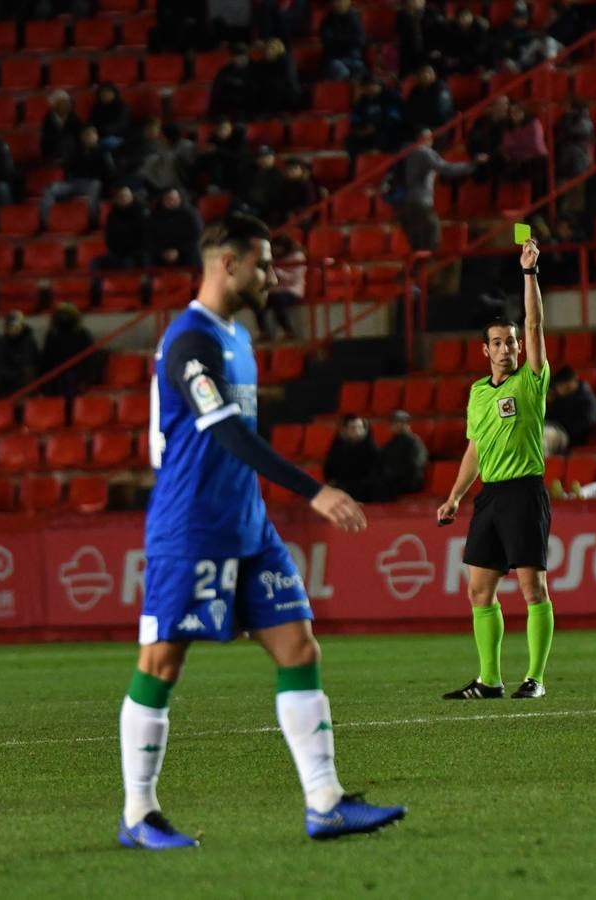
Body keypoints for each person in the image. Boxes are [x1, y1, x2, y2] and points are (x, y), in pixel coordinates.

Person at [117, 213, 402, 850]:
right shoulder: (190, 339)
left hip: (248, 526)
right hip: (192, 527)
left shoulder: (239, 339)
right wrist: (314, 489)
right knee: (162, 663)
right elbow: (222, 431)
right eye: (264, 263)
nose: (272, 275)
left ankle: (325, 803)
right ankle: (139, 813)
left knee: (299, 648)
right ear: (228, 263)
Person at [436, 240, 553, 701]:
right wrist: (455, 496)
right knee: (479, 591)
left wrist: (530, 273)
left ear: (521, 347)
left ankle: (536, 678)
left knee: (532, 589)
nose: (506, 348)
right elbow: (475, 447)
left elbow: (536, 321)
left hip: (525, 492)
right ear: (485, 350)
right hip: (490, 496)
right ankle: (489, 680)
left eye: (512, 342)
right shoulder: (477, 393)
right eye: (498, 343)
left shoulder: (531, 380)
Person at [396, 128, 483, 252]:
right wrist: (472, 165)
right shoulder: (424, 152)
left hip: (407, 201)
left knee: (418, 240)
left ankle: (418, 267)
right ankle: (429, 267)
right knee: (432, 237)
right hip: (421, 201)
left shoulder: (408, 151)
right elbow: (446, 169)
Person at [40, 125, 114, 227]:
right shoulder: (76, 152)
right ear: (82, 137)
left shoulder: (103, 153)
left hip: (92, 184)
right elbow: (68, 169)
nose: (89, 137)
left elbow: (109, 174)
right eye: (86, 135)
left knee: (95, 185)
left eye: (92, 134)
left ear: (96, 136)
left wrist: (105, 191)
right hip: (74, 183)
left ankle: (93, 221)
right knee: (51, 188)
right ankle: (44, 222)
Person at [40, 302, 102, 397]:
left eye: (67, 314)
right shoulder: (52, 334)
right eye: (61, 314)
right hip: (56, 376)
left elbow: (91, 357)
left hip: (77, 375)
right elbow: (46, 358)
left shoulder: (82, 333)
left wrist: (86, 378)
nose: (64, 317)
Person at [323, 414, 383, 500]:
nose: (357, 431)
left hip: (365, 490)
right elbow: (330, 466)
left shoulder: (372, 449)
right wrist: (331, 480)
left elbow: (374, 476)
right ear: (345, 430)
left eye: (360, 428)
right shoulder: (339, 445)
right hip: (342, 486)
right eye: (353, 428)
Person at [544, 365, 596, 454]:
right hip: (550, 427)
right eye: (559, 385)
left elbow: (586, 423)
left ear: (572, 382)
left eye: (562, 385)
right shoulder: (557, 399)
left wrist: (561, 424)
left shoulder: (587, 400)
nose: (560, 388)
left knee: (541, 436)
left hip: (565, 435)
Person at [346, 77, 405, 158]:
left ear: (379, 86)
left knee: (382, 138)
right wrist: (359, 129)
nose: (369, 88)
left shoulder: (390, 97)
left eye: (372, 85)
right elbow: (355, 117)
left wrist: (375, 128)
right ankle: (356, 166)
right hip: (367, 132)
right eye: (367, 86)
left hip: (387, 132)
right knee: (350, 140)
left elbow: (393, 118)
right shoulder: (363, 101)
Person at [261, 233, 304, 340]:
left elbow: (294, 278)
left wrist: (277, 272)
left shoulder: (297, 257)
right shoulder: (273, 259)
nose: (275, 250)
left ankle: (289, 331)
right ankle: (264, 333)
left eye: (277, 248)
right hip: (275, 290)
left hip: (293, 290)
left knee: (278, 301)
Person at [148, 189, 203, 268]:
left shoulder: (191, 214)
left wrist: (178, 251)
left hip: (185, 250)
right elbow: (150, 238)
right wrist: (163, 252)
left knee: (194, 253)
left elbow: (196, 235)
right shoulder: (154, 217)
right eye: (168, 199)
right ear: (162, 201)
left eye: (175, 199)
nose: (172, 201)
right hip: (163, 252)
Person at [0, 310, 39, 396]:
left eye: (14, 326)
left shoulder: (28, 341)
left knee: (27, 373)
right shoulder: (1, 342)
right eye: (9, 326)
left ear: (21, 326)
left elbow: (27, 363)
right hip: (6, 378)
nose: (11, 329)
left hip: (21, 378)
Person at [381, 410, 428, 497]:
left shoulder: (415, 442)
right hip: (392, 480)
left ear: (408, 425)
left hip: (409, 481)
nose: (398, 425)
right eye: (395, 423)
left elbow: (416, 464)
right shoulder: (390, 444)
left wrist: (392, 473)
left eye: (402, 423)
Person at [320, 0, 366, 81]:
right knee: (343, 73)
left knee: (361, 72)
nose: (341, 3)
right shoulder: (327, 22)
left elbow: (360, 40)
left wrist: (340, 39)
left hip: (353, 58)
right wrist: (349, 40)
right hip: (333, 60)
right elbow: (329, 45)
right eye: (338, 1)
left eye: (344, 1)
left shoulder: (354, 19)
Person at [253, 37, 300, 115]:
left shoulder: (286, 61)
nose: (269, 51)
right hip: (270, 93)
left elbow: (286, 80)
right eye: (268, 49)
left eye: (272, 49)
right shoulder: (263, 63)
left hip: (287, 95)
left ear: (279, 50)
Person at [209, 44, 255, 119]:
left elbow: (254, 93)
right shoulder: (225, 71)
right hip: (226, 109)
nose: (241, 59)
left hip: (247, 110)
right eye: (237, 56)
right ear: (232, 57)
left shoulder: (254, 70)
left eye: (243, 56)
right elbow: (216, 93)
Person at [404, 65, 454, 133]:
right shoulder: (416, 90)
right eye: (422, 73)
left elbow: (441, 112)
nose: (426, 75)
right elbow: (410, 108)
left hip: (438, 127)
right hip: (418, 125)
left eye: (428, 73)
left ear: (434, 75)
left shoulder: (440, 88)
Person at [40, 89, 82, 163]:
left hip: (72, 151)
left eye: (68, 102)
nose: (67, 105)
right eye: (63, 103)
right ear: (55, 105)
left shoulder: (74, 118)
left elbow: (78, 136)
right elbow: (46, 138)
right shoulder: (48, 119)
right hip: (53, 151)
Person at [89, 83, 132, 151]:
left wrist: (102, 130)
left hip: (118, 136)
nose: (105, 95)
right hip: (99, 135)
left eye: (108, 93)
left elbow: (121, 124)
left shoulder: (122, 108)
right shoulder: (97, 108)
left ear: (114, 94)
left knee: (108, 142)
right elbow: (92, 122)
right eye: (103, 94)